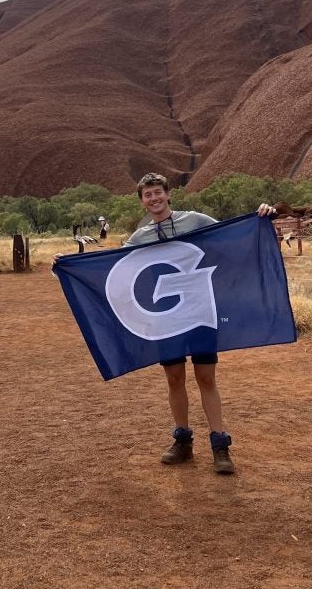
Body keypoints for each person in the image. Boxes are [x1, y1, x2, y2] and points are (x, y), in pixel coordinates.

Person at [122, 172, 276, 475]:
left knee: (206, 377)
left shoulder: (194, 220)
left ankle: (220, 446)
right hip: (165, 316)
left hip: (200, 310)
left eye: (157, 192)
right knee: (175, 378)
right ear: (142, 201)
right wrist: (67, 263)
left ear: (168, 194)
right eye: (147, 195)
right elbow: (115, 265)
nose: (153, 199)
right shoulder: (139, 237)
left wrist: (262, 216)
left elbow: (230, 235)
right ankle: (182, 441)